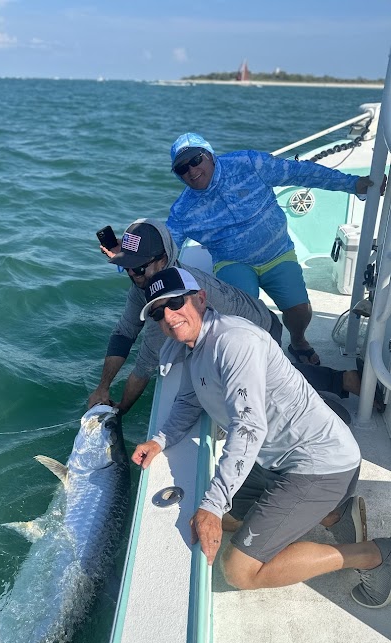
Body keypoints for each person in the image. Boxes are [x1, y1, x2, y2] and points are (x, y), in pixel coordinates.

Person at [132, 265, 391, 607]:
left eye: (176, 301)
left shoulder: (233, 341)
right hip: (275, 460)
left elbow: (248, 428)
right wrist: (160, 440)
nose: (168, 314)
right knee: (223, 521)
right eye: (157, 312)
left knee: (240, 570)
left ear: (201, 298)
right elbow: (188, 401)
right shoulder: (194, 349)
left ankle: (375, 555)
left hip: (322, 465)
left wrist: (212, 503)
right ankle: (335, 514)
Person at [88, 218, 371, 419]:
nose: (132, 275)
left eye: (137, 268)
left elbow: (145, 365)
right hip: (243, 318)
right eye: (126, 267)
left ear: (162, 260)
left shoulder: (173, 298)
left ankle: (341, 383)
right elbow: (125, 331)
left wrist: (119, 410)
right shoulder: (146, 283)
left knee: (258, 384)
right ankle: (338, 380)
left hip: (260, 327)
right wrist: (103, 387)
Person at [166, 132, 386, 366]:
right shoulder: (183, 211)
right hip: (232, 261)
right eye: (182, 168)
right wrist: (131, 258)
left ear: (210, 155)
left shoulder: (249, 164)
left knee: (301, 311)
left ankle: (298, 341)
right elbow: (165, 246)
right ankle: (258, 359)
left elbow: (301, 173)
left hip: (277, 253)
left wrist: (353, 184)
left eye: (195, 160)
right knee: (242, 319)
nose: (191, 170)